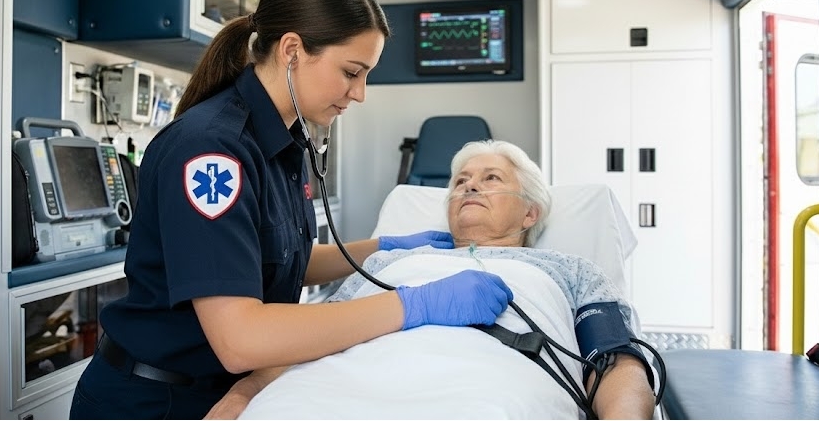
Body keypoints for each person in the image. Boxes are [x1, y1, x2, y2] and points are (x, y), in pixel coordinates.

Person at [68, 0, 513, 420]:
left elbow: (279, 264)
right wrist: (415, 305)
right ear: (293, 50)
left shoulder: (281, 142)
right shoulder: (211, 152)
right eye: (351, 72)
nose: (359, 93)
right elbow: (242, 339)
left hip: (223, 393)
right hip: (154, 401)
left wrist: (385, 249)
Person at [227, 139, 657, 420]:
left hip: (493, 390)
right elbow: (314, 336)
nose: (469, 188)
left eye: (491, 179)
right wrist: (246, 394)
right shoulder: (386, 264)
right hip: (334, 386)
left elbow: (616, 362)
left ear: (530, 212)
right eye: (460, 182)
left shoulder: (569, 269)